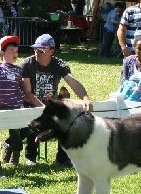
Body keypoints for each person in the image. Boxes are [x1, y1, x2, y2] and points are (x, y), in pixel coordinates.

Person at [20, 33, 92, 166]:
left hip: (50, 105)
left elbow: (73, 82)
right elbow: (27, 93)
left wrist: (85, 98)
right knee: (35, 120)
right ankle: (30, 156)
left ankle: (63, 157)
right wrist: (43, 108)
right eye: (35, 49)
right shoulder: (27, 64)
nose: (37, 52)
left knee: (66, 119)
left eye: (41, 49)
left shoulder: (59, 64)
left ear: (51, 51)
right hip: (30, 103)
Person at [0, 35, 24, 167]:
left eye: (16, 51)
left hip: (14, 107)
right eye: (11, 51)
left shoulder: (18, 70)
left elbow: (21, 88)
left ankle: (15, 158)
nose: (15, 54)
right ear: (2, 53)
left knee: (16, 134)